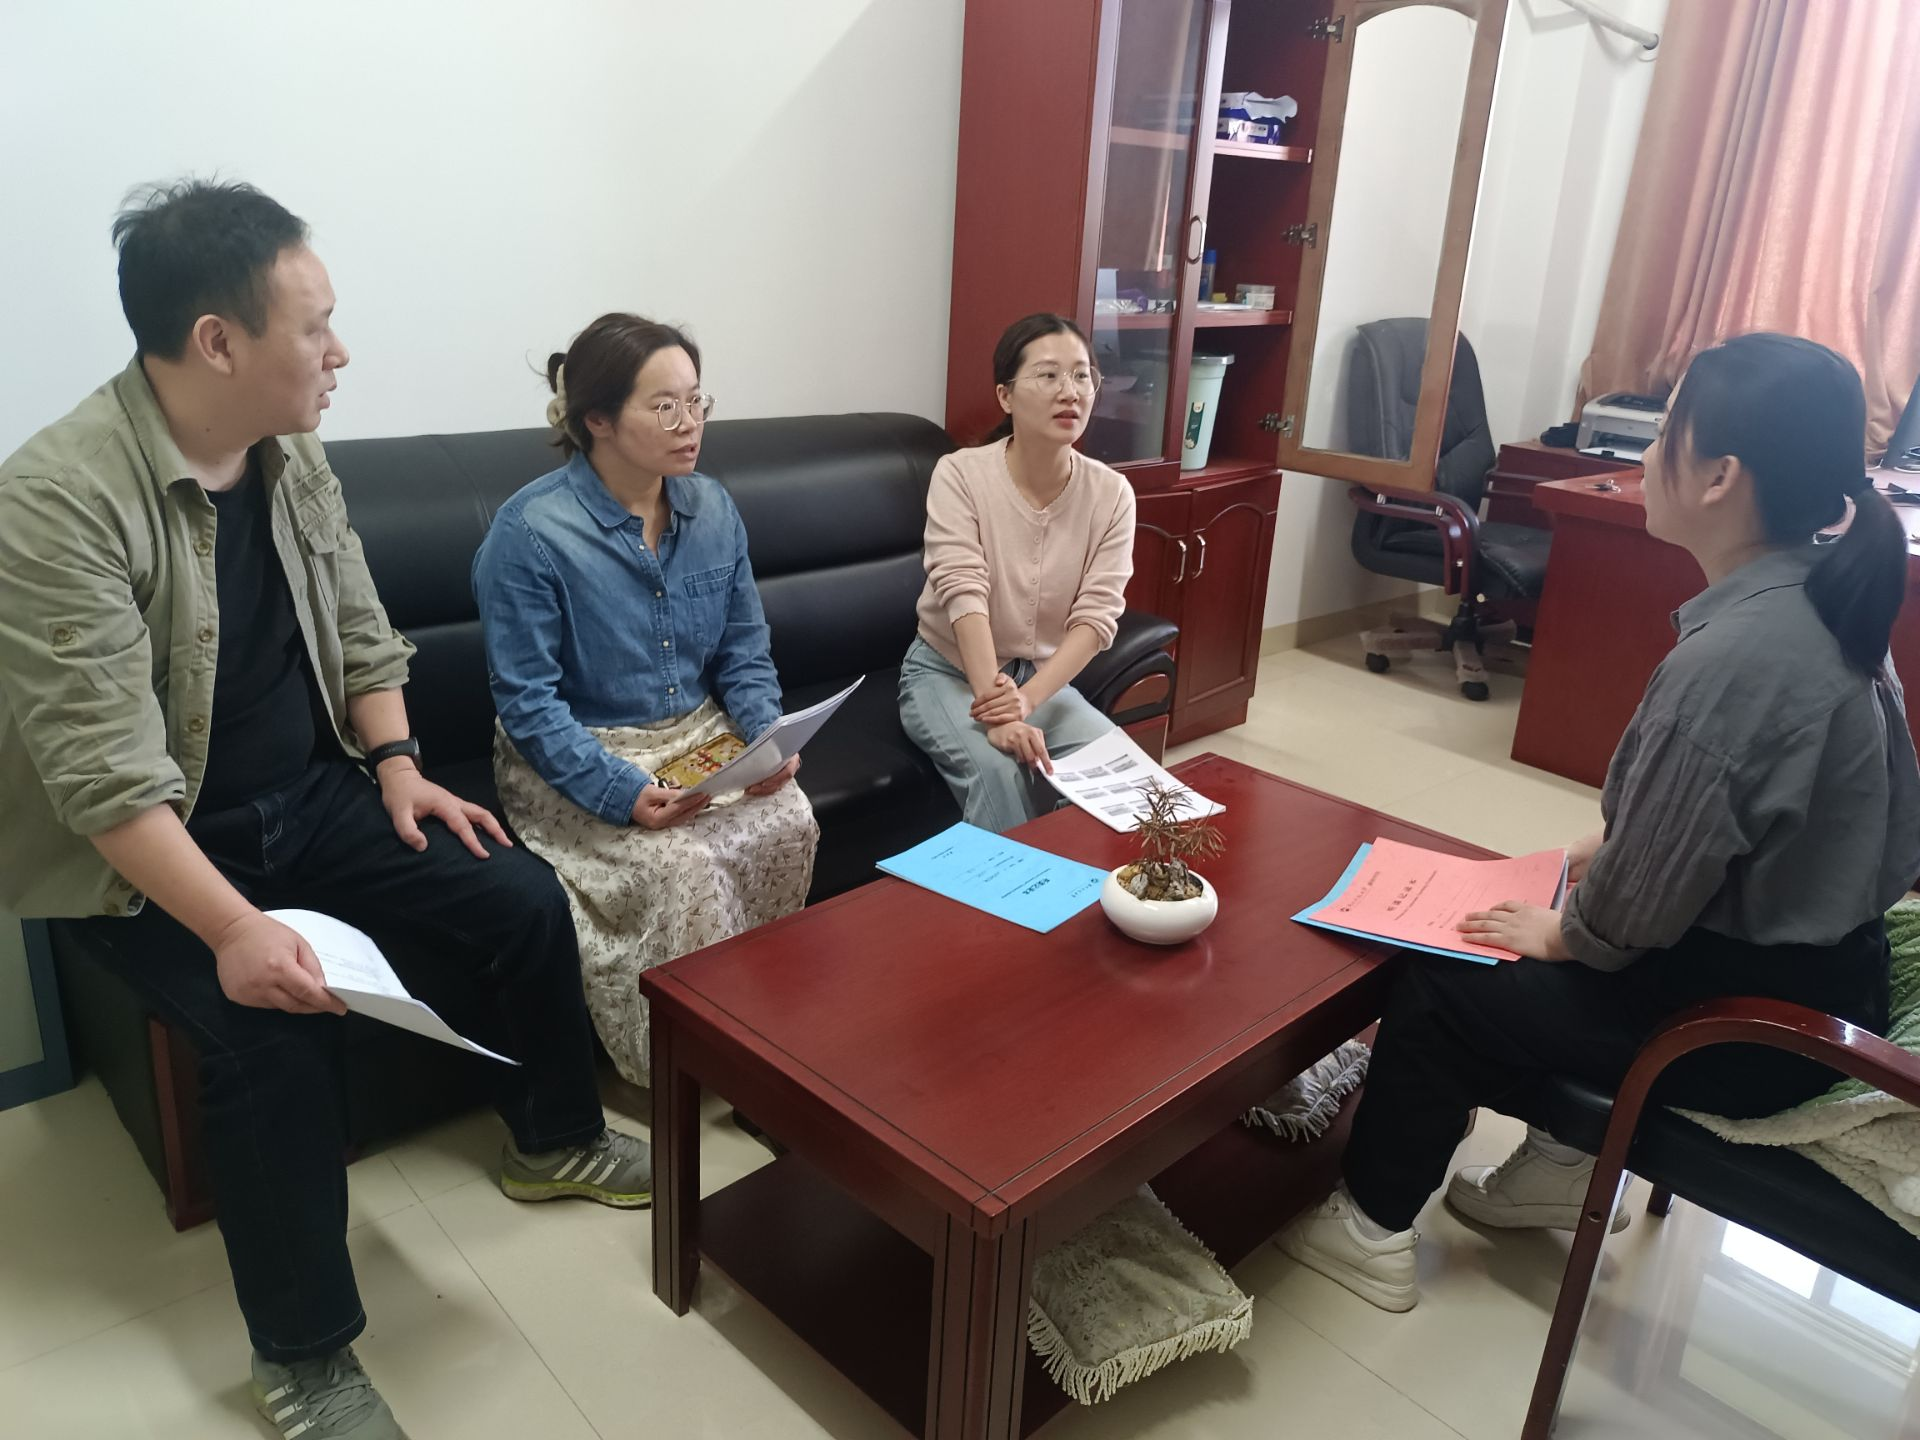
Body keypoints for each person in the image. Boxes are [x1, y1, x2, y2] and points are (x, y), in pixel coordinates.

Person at [0, 181, 651, 1440]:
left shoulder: (290, 453)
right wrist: (236, 930)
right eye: (316, 327)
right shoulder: (56, 501)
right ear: (218, 341)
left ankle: (553, 1140)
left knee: (516, 891)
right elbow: (104, 783)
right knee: (270, 1035)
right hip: (145, 861)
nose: (340, 351)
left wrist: (400, 766)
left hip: (306, 799)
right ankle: (303, 1361)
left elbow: (360, 625)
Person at [1281, 333, 1920, 1313]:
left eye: (1665, 435)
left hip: (1742, 1032)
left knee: (1444, 984)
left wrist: (1569, 933)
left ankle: (1369, 1227)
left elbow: (1628, 924)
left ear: (1721, 477)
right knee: (1536, 925)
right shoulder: (1833, 598)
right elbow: (1764, 822)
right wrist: (1617, 852)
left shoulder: (1735, 661)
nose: (1645, 456)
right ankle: (1557, 1169)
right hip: (1833, 978)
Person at [472, 313, 818, 1085]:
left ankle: (753, 1028)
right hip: (583, 748)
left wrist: (767, 737)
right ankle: (677, 1066)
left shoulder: (712, 508)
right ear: (597, 419)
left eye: (696, 401)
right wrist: (621, 793)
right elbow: (528, 705)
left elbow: (742, 649)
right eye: (664, 407)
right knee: (679, 866)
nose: (689, 423)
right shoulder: (530, 534)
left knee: (791, 819)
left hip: (695, 732)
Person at [899, 313, 1136, 832]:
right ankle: (1007, 888)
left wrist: (1025, 700)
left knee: (1119, 774)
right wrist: (998, 712)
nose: (1069, 392)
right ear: (1005, 396)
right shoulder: (960, 474)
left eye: (1082, 375)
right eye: (1048, 375)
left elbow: (1096, 618)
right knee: (998, 773)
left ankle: (1087, 882)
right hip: (945, 673)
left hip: (1037, 681)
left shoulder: (1112, 494)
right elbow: (963, 593)